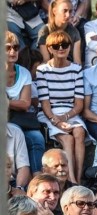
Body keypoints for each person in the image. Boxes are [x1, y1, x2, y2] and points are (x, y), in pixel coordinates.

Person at [36, 31, 88, 185]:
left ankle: (77, 179)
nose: (61, 48)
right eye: (56, 46)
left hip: (70, 112)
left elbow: (79, 104)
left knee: (79, 132)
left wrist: (65, 118)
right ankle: (70, 179)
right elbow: (45, 104)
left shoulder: (76, 69)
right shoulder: (42, 70)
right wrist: (57, 122)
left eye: (64, 45)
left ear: (70, 47)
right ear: (49, 49)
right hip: (49, 114)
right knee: (67, 138)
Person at [6, 31, 45, 175]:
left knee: (37, 137)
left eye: (15, 48)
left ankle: (37, 177)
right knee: (15, 133)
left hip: (20, 119)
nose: (12, 51)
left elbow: (25, 104)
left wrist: (6, 102)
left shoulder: (23, 73)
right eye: (7, 48)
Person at [37, 0, 83, 65]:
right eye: (65, 11)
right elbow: (46, 60)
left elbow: (77, 61)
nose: (68, 15)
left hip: (69, 67)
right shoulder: (45, 31)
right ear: (54, 11)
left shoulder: (74, 31)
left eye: (70, 11)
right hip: (50, 67)